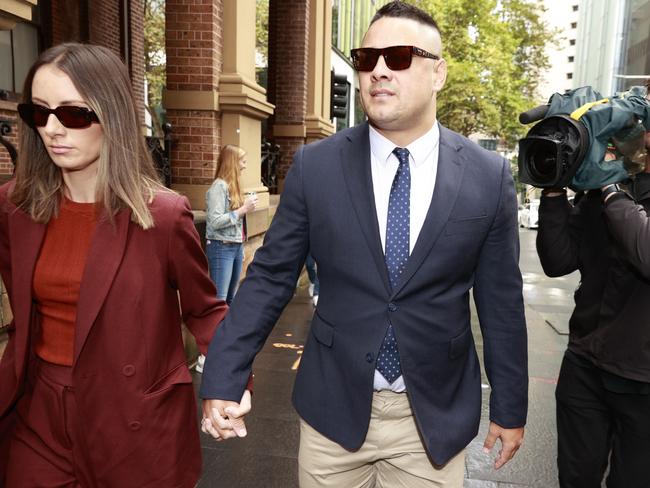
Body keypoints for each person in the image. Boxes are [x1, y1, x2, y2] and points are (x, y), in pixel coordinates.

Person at [200, 2, 528, 486]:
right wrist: (225, 376)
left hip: (432, 418)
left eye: (396, 57)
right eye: (366, 58)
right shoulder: (316, 167)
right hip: (332, 411)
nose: (377, 70)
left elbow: (500, 300)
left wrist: (510, 404)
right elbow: (270, 276)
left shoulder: (487, 175)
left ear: (438, 72)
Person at [0, 43, 239, 487]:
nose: (53, 129)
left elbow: (205, 310)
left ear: (110, 116)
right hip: (38, 412)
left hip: (130, 417)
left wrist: (228, 382)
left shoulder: (163, 216)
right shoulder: (15, 207)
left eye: (73, 114)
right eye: (40, 113)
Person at [536, 84, 650, 488]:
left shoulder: (610, 186)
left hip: (643, 382)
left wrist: (608, 185)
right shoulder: (605, 183)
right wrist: (553, 184)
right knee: (575, 479)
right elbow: (557, 261)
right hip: (585, 365)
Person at [196, 145, 257, 373]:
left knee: (231, 300)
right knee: (219, 301)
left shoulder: (233, 186)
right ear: (231, 161)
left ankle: (222, 350)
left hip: (234, 247)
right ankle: (205, 355)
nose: (244, 164)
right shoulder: (218, 188)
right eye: (241, 160)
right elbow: (213, 222)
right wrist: (242, 210)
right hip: (221, 248)